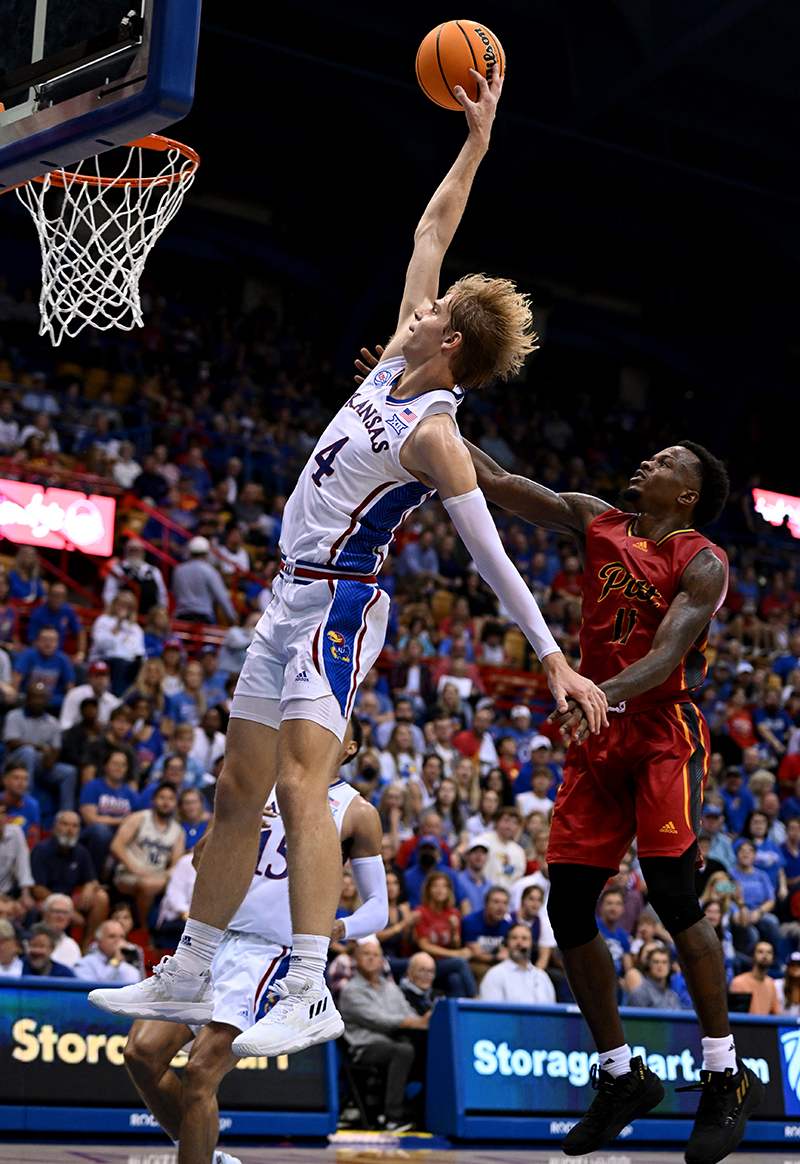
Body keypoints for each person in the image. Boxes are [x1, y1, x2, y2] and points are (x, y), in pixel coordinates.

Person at [96, 69, 605, 1058]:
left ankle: (307, 986)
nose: (417, 303)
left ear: (447, 339)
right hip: (287, 594)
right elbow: (431, 229)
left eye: (432, 309)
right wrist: (476, 141)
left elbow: (488, 553)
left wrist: (550, 658)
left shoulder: (437, 436)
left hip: (340, 608)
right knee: (236, 789)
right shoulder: (400, 357)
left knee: (300, 785)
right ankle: (192, 964)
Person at [468, 436, 763, 1158]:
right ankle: (621, 1076)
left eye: (665, 463)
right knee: (567, 907)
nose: (647, 463)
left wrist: (594, 693)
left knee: (674, 897)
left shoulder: (701, 560)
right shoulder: (596, 519)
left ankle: (724, 1076)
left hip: (661, 732)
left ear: (687, 494)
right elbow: (499, 481)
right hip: (597, 730)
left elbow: (665, 657)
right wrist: (420, 409)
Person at [110, 719, 386, 1164]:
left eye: (334, 727)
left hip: (270, 953)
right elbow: (200, 860)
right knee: (140, 1055)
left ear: (349, 747)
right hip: (214, 940)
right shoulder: (260, 785)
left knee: (200, 1074)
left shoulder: (357, 812)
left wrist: (337, 927)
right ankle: (205, 1155)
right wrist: (240, 826)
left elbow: (378, 908)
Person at [338, 939, 428, 1133]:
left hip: (396, 1041)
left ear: (382, 961)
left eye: (376, 955)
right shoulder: (351, 991)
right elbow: (379, 1021)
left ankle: (417, 1112)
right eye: (366, 954)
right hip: (366, 1047)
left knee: (431, 1052)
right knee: (403, 1051)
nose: (371, 958)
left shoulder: (391, 989)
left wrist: (422, 1021)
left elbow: (410, 1013)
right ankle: (391, 1118)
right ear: (356, 959)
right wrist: (415, 1022)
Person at [110, 784, 185, 933]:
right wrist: (134, 868)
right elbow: (116, 845)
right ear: (153, 800)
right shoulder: (139, 818)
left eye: (170, 799)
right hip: (128, 873)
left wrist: (166, 877)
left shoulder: (178, 830)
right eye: (162, 797)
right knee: (148, 885)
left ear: (175, 803)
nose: (166, 802)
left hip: (158, 876)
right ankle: (144, 929)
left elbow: (176, 864)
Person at [30, 810, 109, 946]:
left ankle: (87, 946)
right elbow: (37, 889)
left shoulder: (81, 852)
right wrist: (65, 908)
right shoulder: (42, 850)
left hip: (70, 899)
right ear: (55, 827)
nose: (70, 830)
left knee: (100, 897)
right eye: (65, 824)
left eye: (74, 826)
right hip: (47, 898)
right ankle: (50, 945)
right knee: (51, 909)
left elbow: (92, 879)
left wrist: (89, 887)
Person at [3, 683, 77, 814]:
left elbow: (56, 749)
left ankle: (66, 815)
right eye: (34, 697)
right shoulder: (14, 716)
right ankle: (26, 799)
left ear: (46, 699)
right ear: (27, 698)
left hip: (40, 766)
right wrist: (40, 748)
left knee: (69, 772)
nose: (37, 701)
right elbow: (11, 742)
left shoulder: (52, 722)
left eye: (41, 697)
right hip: (14, 764)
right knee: (28, 752)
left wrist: (50, 760)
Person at [79, 749, 140, 877]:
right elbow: (90, 818)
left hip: (121, 837)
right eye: (115, 764)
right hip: (92, 835)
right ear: (105, 766)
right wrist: (120, 821)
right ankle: (94, 878)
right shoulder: (92, 787)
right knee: (101, 831)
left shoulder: (131, 794)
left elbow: (137, 821)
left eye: (122, 765)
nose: (118, 768)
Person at [479, 923, 556, 1003]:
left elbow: (552, 1008)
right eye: (514, 938)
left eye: (524, 938)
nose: (519, 943)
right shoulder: (495, 975)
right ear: (507, 943)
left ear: (531, 944)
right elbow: (492, 1009)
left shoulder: (542, 976)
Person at [89, 591, 146, 696]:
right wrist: (118, 623)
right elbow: (101, 644)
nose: (123, 607)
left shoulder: (135, 628)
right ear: (114, 604)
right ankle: (114, 697)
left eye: (127, 605)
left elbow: (139, 651)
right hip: (103, 658)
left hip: (126, 664)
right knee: (120, 663)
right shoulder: (103, 621)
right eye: (120, 603)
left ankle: (122, 697)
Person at [171, 537, 237, 624]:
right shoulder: (209, 570)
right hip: (203, 618)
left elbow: (175, 593)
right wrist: (232, 617)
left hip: (182, 616)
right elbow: (221, 596)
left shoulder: (178, 570)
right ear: (206, 553)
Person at [12, 626, 75, 711]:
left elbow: (70, 686)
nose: (48, 644)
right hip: (28, 700)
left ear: (57, 642)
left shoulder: (62, 659)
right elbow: (15, 679)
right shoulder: (28, 655)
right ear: (37, 641)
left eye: (52, 640)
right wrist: (13, 700)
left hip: (52, 703)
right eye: (44, 639)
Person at [102, 539, 169, 616]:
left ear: (143, 552)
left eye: (137, 550)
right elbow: (109, 594)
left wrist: (161, 613)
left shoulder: (153, 571)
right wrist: (114, 612)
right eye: (132, 550)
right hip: (124, 616)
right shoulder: (118, 569)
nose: (134, 553)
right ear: (126, 551)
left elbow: (162, 595)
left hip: (148, 617)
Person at [461, 886, 512, 984]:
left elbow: (506, 950)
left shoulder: (506, 925)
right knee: (487, 972)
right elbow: (475, 954)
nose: (500, 907)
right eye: (496, 902)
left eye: (504, 903)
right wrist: (497, 957)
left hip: (495, 963)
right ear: (486, 903)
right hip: (473, 962)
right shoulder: (471, 921)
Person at [74, 919, 143, 984]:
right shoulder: (84, 964)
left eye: (122, 937)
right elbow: (96, 989)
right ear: (98, 941)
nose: (118, 941)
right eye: (112, 936)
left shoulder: (130, 970)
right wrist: (115, 961)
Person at [59, 661, 121, 730]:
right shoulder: (75, 694)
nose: (100, 680)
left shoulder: (113, 702)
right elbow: (65, 724)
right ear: (89, 678)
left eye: (104, 676)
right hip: (76, 734)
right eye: (97, 676)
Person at [0, 802, 35, 915]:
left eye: (2, 813)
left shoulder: (15, 833)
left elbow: (23, 867)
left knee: (30, 909)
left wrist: (25, 894)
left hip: (8, 893)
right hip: (4, 899)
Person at [729, 941, 780, 1016]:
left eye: (769, 952)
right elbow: (737, 1014)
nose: (765, 955)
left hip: (765, 1023)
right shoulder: (739, 982)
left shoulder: (771, 983)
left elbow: (776, 1014)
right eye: (760, 952)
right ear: (752, 956)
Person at [1, 761, 41, 844]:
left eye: (25, 779)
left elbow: (32, 840)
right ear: (5, 780)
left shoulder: (33, 806)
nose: (21, 783)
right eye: (16, 778)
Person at [776, 951, 800, 1016]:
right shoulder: (777, 985)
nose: (795, 967)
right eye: (792, 964)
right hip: (780, 1021)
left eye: (799, 964)